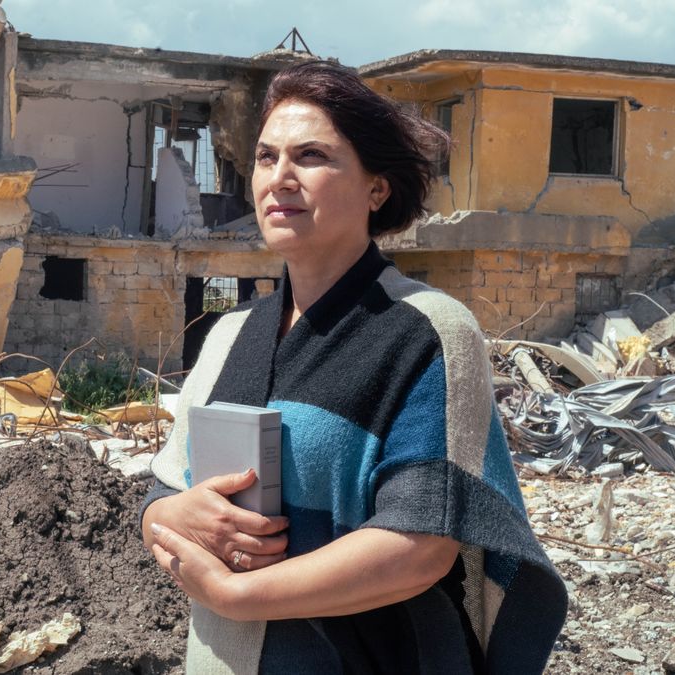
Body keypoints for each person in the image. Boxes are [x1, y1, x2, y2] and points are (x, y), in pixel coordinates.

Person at [140, 61, 567, 674]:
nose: (279, 178)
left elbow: (421, 546)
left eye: (311, 156)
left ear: (377, 188)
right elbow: (164, 488)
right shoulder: (230, 334)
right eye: (265, 158)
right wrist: (167, 515)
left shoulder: (426, 331)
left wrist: (239, 594)